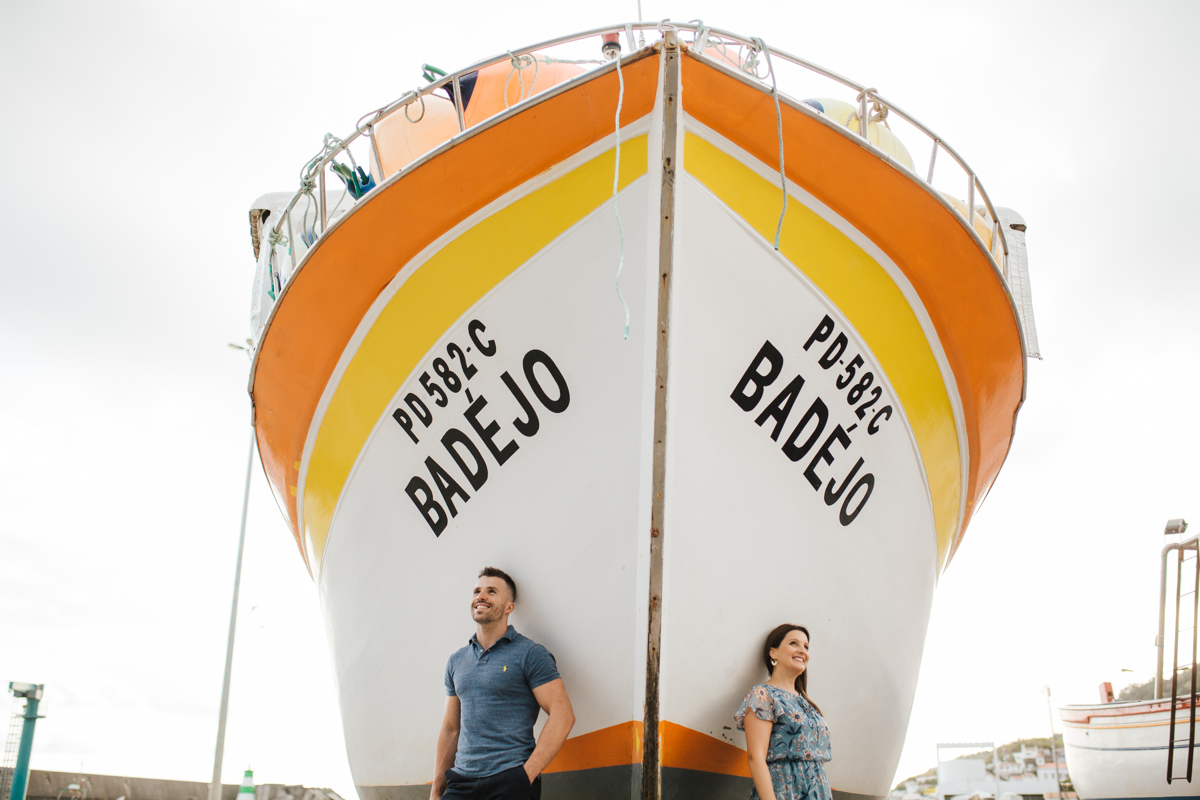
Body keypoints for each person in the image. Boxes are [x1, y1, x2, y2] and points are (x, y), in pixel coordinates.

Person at [430, 567, 576, 800]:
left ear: (509, 607)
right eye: (477, 591)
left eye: (491, 591)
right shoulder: (456, 661)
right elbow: (450, 728)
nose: (481, 596)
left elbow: (563, 715)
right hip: (461, 782)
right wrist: (436, 790)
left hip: (509, 781)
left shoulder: (530, 654)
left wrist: (525, 776)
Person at [735, 624, 833, 800]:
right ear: (773, 652)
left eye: (806, 647)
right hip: (785, 791)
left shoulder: (806, 703)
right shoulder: (763, 695)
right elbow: (755, 757)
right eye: (794, 643)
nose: (802, 650)